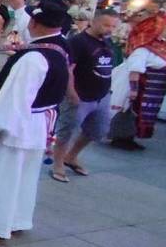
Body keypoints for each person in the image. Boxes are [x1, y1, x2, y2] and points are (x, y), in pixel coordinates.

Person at [0, 0, 71, 241]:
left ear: (34, 23)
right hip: (35, 123)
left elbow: (14, 99)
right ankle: (16, 218)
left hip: (17, 126)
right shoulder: (59, 49)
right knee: (22, 176)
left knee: (1, 175)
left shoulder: (33, 58)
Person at [51, 9, 120, 182]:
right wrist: (71, 92)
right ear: (93, 22)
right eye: (106, 25)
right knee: (67, 131)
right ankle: (58, 163)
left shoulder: (107, 41)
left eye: (113, 26)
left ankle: (71, 156)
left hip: (102, 95)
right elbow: (69, 69)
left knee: (98, 130)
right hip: (80, 95)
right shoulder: (78, 41)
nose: (109, 29)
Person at [110, 8, 166, 150]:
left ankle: (130, 137)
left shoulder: (162, 46)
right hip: (142, 87)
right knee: (132, 111)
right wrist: (134, 90)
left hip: (154, 89)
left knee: (143, 114)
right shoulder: (143, 48)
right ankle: (121, 137)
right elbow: (135, 69)